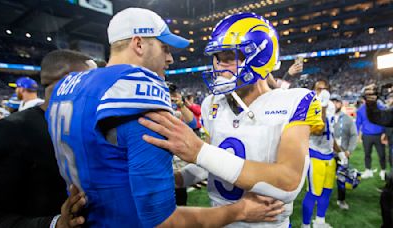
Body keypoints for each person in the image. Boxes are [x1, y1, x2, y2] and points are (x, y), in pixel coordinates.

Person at [46, 8, 284, 228]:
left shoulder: (69, 85)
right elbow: (161, 221)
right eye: (165, 48)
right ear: (138, 44)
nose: (170, 59)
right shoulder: (134, 91)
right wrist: (240, 210)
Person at [138, 12, 325, 227]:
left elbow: (288, 182)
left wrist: (199, 151)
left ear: (260, 55)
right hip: (222, 220)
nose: (219, 67)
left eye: (229, 57)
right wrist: (176, 180)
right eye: (217, 58)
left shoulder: (295, 101)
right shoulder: (212, 103)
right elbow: (211, 162)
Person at [0, 49, 95, 228]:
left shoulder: (91, 126)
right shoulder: (9, 132)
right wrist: (54, 224)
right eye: (92, 80)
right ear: (67, 80)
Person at [301, 79, 346, 228]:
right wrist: (323, 106)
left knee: (327, 191)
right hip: (315, 154)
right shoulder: (309, 106)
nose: (323, 92)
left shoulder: (332, 106)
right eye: (319, 89)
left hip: (329, 154)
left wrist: (339, 152)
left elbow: (330, 133)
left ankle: (320, 221)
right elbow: (319, 129)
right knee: (313, 193)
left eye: (325, 89)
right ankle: (305, 225)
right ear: (313, 91)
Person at [330, 94, 358, 210]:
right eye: (333, 102)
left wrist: (349, 150)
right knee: (323, 177)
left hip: (342, 154)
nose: (334, 104)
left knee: (341, 178)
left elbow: (353, 135)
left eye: (337, 102)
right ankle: (319, 198)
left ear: (341, 104)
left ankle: (341, 200)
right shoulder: (325, 117)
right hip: (327, 153)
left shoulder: (347, 119)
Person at [357, 93, 387, 180]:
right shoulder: (361, 110)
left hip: (379, 135)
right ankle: (368, 170)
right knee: (367, 154)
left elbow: (385, 120)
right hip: (367, 135)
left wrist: (384, 133)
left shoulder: (381, 108)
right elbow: (358, 123)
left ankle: (383, 170)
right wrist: (357, 135)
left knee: (382, 154)